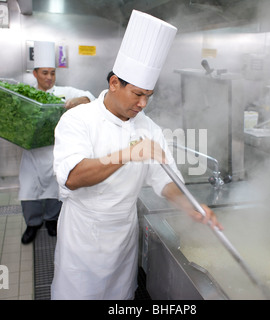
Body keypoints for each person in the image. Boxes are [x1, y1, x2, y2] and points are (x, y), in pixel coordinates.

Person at [51, 10, 221, 300]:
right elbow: (73, 177)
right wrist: (128, 154)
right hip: (82, 236)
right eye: (138, 94)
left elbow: (164, 179)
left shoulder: (150, 129)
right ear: (114, 83)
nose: (143, 104)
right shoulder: (78, 120)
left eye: (149, 96)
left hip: (123, 235)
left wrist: (189, 204)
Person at [19, 41, 96, 244]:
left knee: (55, 188)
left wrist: (79, 101)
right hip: (32, 153)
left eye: (52, 73)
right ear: (35, 74)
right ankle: (32, 224)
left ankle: (51, 220)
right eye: (44, 73)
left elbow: (90, 96)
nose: (49, 78)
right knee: (29, 189)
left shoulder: (63, 92)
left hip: (54, 152)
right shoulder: (25, 95)